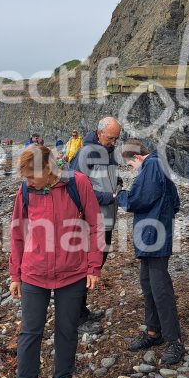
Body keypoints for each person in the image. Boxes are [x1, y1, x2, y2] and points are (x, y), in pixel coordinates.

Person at [9, 145, 104, 378]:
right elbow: (17, 233)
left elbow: (96, 225)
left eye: (31, 177)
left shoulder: (78, 184)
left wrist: (93, 266)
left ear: (47, 170)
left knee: (66, 329)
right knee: (30, 333)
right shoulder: (26, 192)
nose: (27, 183)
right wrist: (15, 274)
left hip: (72, 273)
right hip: (34, 274)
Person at [115, 139, 184, 365]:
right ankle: (154, 332)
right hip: (152, 236)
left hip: (153, 237)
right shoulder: (159, 166)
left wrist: (121, 196)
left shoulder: (152, 166)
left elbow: (137, 201)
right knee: (148, 284)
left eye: (130, 165)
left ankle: (174, 341)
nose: (132, 169)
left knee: (160, 288)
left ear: (136, 157)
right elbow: (175, 201)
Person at [74, 116, 122, 333]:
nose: (114, 142)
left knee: (95, 264)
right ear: (100, 133)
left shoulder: (108, 151)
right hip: (92, 222)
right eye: (111, 138)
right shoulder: (86, 153)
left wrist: (118, 185)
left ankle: (81, 311)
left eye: (117, 138)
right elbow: (76, 188)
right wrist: (107, 197)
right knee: (85, 268)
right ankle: (75, 317)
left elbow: (110, 179)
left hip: (107, 219)